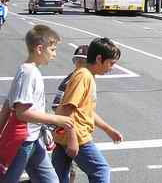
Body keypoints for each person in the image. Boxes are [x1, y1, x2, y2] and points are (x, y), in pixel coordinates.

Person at [0, 25, 73, 182]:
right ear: (40, 49)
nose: (54, 54)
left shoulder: (27, 70)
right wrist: (57, 119)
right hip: (23, 142)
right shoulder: (29, 73)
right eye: (52, 49)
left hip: (33, 139)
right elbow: (21, 113)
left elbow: (8, 104)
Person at [52, 38, 124, 183]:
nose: (112, 67)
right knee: (100, 170)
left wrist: (108, 129)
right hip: (77, 135)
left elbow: (85, 110)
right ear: (99, 59)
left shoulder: (86, 75)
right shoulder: (83, 76)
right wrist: (73, 139)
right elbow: (67, 108)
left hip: (64, 135)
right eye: (111, 63)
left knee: (59, 177)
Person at [50, 45, 89, 183]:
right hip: (66, 131)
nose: (80, 64)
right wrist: (70, 127)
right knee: (68, 169)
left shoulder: (83, 78)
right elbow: (56, 106)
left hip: (66, 131)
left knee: (62, 169)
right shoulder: (72, 80)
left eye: (83, 61)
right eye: (77, 60)